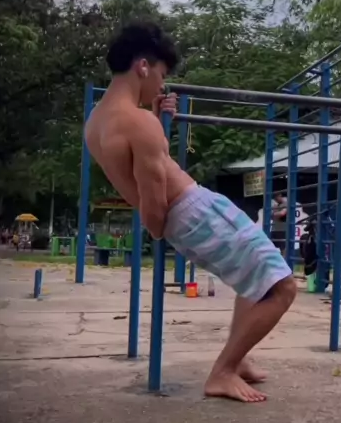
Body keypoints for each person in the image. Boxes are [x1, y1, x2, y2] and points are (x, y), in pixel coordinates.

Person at [85, 23, 297, 403]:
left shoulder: (96, 123)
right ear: (143, 66)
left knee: (253, 278)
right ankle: (223, 372)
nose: (161, 85)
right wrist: (157, 228)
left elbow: (139, 171)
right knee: (282, 287)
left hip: (187, 217)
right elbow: (154, 200)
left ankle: (238, 359)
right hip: (195, 211)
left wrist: (155, 120)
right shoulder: (139, 123)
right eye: (162, 74)